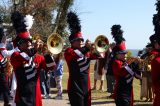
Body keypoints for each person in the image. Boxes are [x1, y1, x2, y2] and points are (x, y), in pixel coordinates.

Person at [10, 11, 55, 106]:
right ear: (19, 44)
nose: (29, 43)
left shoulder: (38, 57)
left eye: (30, 41)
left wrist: (47, 53)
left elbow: (51, 67)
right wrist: (34, 50)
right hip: (22, 97)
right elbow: (23, 58)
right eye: (25, 41)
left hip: (36, 97)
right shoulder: (15, 56)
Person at [65, 11, 102, 106]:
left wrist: (96, 47)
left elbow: (100, 56)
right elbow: (74, 55)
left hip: (86, 86)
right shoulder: (69, 51)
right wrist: (86, 48)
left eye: (82, 39)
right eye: (78, 40)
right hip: (74, 86)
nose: (81, 41)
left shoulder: (87, 52)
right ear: (72, 42)